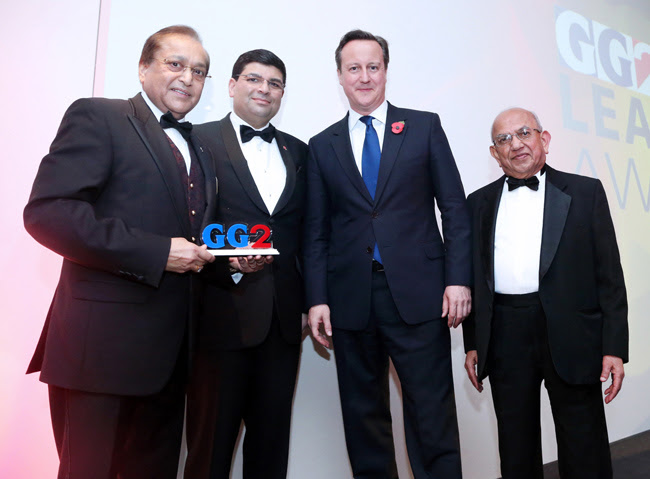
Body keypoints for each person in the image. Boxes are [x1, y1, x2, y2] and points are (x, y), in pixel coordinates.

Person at [23, 25, 262, 479]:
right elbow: (48, 213)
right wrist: (156, 252)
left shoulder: (201, 150)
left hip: (172, 361)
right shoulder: (99, 116)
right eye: (176, 64)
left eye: (199, 71)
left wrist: (230, 262)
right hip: (100, 353)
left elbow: (190, 242)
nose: (188, 78)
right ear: (142, 68)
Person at [304, 29, 472, 478]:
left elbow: (454, 209)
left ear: (385, 71)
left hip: (421, 295)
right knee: (364, 419)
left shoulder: (424, 126)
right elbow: (316, 230)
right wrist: (317, 298)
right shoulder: (322, 146)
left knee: (431, 414)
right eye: (353, 68)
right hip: (351, 299)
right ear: (339, 76)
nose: (364, 76)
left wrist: (458, 279)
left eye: (372, 66)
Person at [463, 107, 628, 479]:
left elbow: (610, 276)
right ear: (494, 153)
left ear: (545, 139)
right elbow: (475, 279)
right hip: (505, 331)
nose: (516, 144)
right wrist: (474, 341)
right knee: (515, 444)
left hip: (572, 330)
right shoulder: (477, 204)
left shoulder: (586, 192)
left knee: (583, 442)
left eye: (524, 133)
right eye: (504, 139)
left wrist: (614, 346)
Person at [184, 49, 308, 479]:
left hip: (283, 322)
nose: (264, 89)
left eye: (274, 84)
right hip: (219, 314)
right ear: (233, 85)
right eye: (254, 79)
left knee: (271, 448)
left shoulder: (299, 150)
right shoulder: (197, 139)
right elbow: (184, 218)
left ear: (282, 95)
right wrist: (228, 265)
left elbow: (307, 234)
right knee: (210, 446)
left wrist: (311, 303)